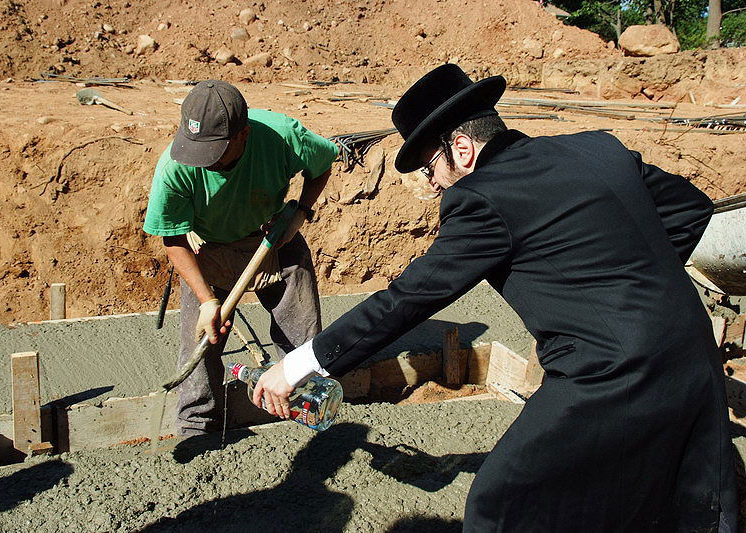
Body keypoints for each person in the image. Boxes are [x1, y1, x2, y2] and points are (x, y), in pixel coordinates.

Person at [253, 65, 738, 531]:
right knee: (671, 508)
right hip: (693, 359)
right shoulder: (599, 149)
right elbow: (691, 213)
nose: (433, 182)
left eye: (429, 168)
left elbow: (408, 299)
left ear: (461, 148)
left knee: (500, 506)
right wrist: (618, 282)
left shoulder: (480, 197)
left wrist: (297, 366)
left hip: (608, 378)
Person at [143, 80, 339, 436]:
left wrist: (300, 212)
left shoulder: (283, 136)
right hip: (207, 248)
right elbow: (172, 238)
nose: (205, 161)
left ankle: (306, 403)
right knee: (200, 346)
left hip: (272, 240)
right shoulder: (175, 165)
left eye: (215, 151)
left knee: (302, 338)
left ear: (243, 135)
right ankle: (195, 427)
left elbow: (322, 165)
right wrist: (206, 301)